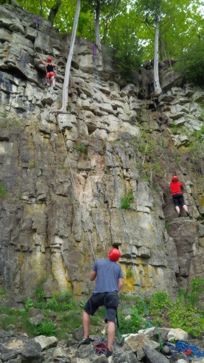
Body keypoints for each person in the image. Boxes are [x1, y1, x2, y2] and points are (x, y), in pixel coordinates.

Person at [80, 247, 123, 357]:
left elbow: (91, 278)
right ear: (117, 258)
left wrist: (97, 270)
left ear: (109, 254)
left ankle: (86, 337)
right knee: (111, 320)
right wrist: (115, 292)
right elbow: (120, 284)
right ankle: (109, 348)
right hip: (112, 294)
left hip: (98, 294)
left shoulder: (98, 262)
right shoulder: (118, 268)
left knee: (86, 311)